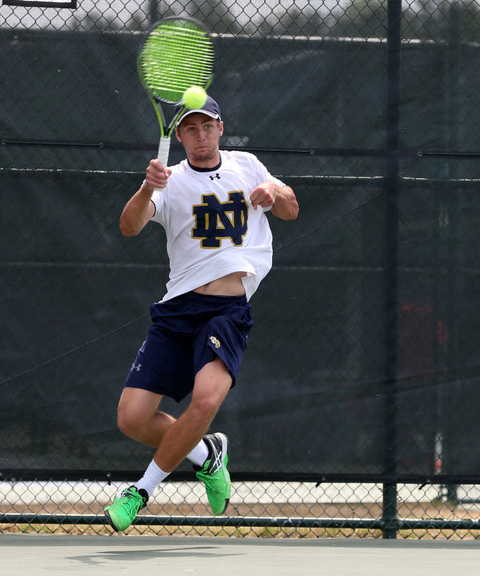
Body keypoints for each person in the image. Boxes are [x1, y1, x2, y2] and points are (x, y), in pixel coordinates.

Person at [104, 95, 299, 532]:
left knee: (207, 401)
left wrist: (274, 191)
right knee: (131, 419)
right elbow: (129, 226)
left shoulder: (247, 166)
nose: (200, 136)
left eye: (207, 126)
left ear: (220, 128)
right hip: (177, 311)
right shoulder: (169, 180)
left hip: (226, 312)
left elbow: (291, 208)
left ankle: (140, 492)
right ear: (179, 136)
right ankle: (207, 454)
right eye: (190, 129)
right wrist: (147, 188)